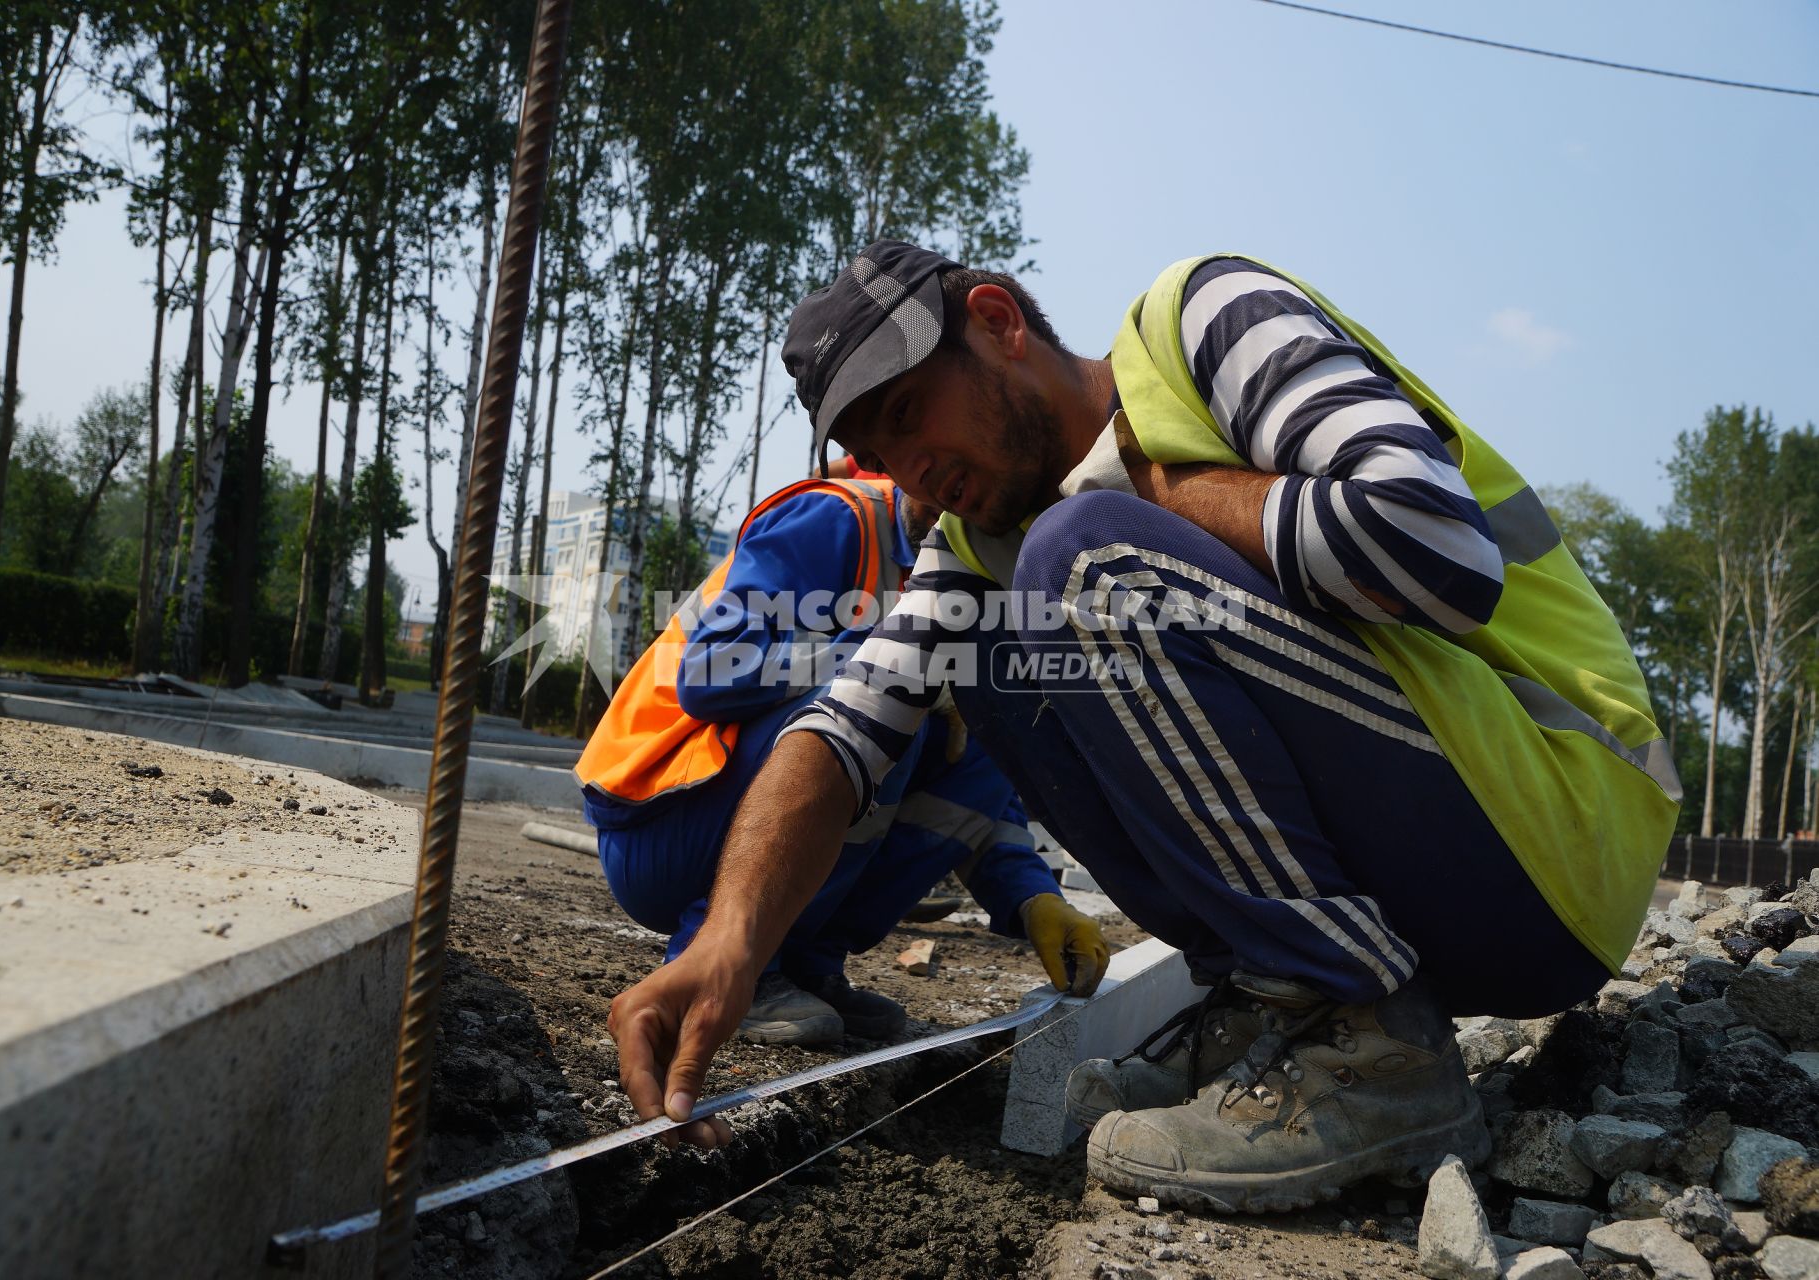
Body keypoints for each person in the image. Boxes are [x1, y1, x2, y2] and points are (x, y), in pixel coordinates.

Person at [606, 241, 1678, 1207]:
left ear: (997, 320)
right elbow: (844, 729)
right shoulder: (977, 544)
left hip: (1557, 824)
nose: (905, 469)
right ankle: (1274, 1008)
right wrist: (730, 940)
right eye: (871, 450)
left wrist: (1154, 484)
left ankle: (1364, 1039)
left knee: (1080, 557)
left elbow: (1437, 548)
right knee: (983, 632)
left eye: (905, 412)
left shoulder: (1206, 319)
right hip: (1451, 875)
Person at [579, 472, 1110, 1112]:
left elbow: (977, 793)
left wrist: (1032, 898)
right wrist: (888, 658)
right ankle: (737, 959)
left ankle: (808, 961)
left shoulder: (986, 580)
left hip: (727, 825)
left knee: (981, 742)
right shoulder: (831, 522)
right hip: (661, 820)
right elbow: (709, 673)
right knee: (884, 711)